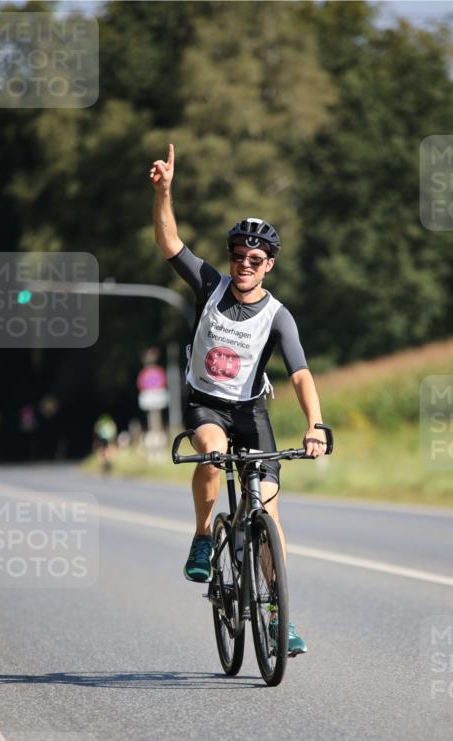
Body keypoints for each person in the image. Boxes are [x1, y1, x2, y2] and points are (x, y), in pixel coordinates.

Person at [150, 143, 327, 656]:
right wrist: (164, 193)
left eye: (255, 259)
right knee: (210, 450)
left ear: (268, 265)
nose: (244, 264)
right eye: (238, 256)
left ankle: (277, 616)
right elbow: (168, 241)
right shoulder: (210, 285)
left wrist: (315, 425)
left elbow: (300, 373)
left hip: (251, 413)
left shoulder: (279, 315)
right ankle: (204, 535)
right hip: (207, 403)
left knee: (269, 512)